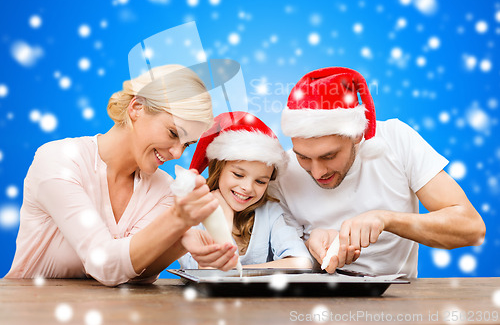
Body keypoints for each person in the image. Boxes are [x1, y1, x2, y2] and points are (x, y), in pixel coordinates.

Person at [6, 64, 240, 286]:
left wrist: (180, 242)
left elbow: (133, 274)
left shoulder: (163, 188)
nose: (178, 153)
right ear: (137, 107)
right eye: (173, 133)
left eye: (187, 144)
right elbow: (104, 265)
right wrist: (177, 221)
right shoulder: (60, 161)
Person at [271, 66, 486, 278]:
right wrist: (311, 248)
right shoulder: (283, 171)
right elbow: (274, 261)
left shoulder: (396, 140)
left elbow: (471, 228)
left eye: (329, 156)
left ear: (357, 134)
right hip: (311, 306)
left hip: (396, 303)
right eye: (304, 157)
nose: (317, 172)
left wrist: (386, 220)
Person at [179, 111, 313, 269]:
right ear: (218, 168)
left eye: (260, 181)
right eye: (238, 174)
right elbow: (202, 270)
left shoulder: (270, 212)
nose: (248, 188)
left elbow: (302, 262)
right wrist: (224, 221)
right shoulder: (193, 212)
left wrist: (239, 273)